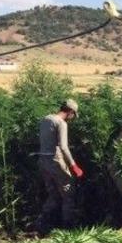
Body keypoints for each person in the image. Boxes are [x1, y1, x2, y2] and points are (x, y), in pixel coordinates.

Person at [35, 98, 83, 235]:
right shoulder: (61, 123)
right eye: (73, 115)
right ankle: (68, 228)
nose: (72, 118)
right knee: (68, 192)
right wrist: (73, 165)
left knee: (54, 194)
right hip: (55, 160)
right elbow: (63, 146)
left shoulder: (45, 119)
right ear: (70, 112)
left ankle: (42, 223)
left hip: (42, 160)